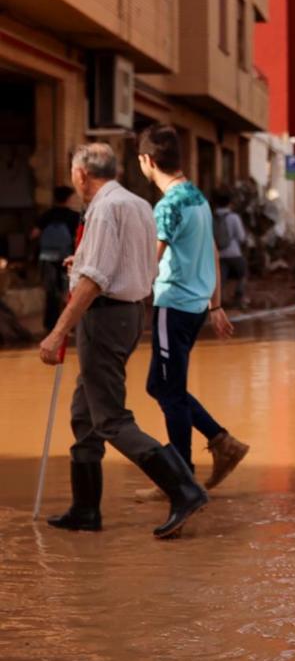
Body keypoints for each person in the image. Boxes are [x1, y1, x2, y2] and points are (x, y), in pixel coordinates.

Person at [37, 143, 207, 539]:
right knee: (85, 411)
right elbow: (136, 262)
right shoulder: (137, 203)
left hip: (106, 316)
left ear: (81, 174)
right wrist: (78, 264)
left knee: (110, 418)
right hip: (131, 312)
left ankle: (184, 489)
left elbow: (95, 280)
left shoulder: (104, 208)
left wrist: (58, 331)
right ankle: (85, 510)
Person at [138, 124, 250, 491]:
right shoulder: (197, 198)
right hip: (196, 305)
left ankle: (180, 478)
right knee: (160, 384)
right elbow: (213, 252)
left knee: (169, 390)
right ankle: (221, 442)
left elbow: (150, 263)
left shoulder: (168, 205)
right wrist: (215, 305)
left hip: (174, 304)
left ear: (147, 161)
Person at [32, 185, 79, 332]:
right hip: (68, 259)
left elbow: (34, 234)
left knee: (51, 293)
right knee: (70, 292)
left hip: (47, 259)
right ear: (69, 198)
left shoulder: (47, 215)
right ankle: (70, 325)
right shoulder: (74, 216)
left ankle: (50, 325)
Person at [213, 189, 248, 308]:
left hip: (218, 254)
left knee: (221, 279)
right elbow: (241, 237)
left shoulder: (212, 217)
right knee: (242, 273)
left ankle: (221, 301)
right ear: (229, 203)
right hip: (234, 254)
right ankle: (238, 296)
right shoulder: (234, 217)